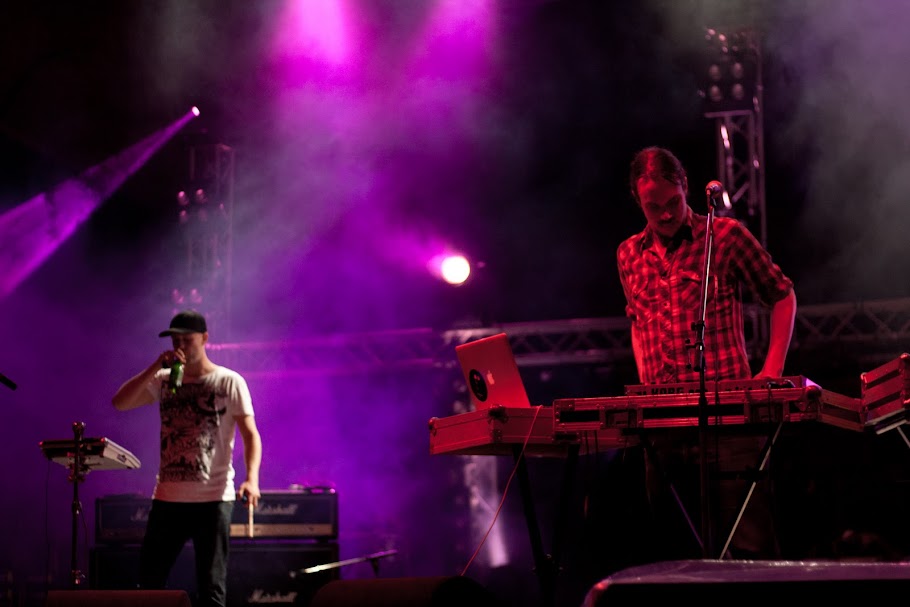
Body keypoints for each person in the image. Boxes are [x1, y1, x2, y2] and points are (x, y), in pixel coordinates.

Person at [617, 146, 797, 560]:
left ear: (685, 187)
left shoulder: (724, 236)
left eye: (673, 202)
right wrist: (646, 383)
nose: (665, 214)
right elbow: (637, 321)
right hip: (664, 425)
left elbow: (782, 295)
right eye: (653, 207)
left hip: (728, 422)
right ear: (638, 201)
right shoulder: (627, 254)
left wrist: (771, 370)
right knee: (674, 555)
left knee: (749, 549)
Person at [112, 310, 262, 607]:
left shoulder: (228, 381)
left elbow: (250, 434)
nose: (180, 346)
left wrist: (252, 479)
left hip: (214, 498)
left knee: (211, 587)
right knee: (150, 582)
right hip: (168, 497)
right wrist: (156, 365)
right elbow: (120, 403)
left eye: (187, 340)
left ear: (205, 339)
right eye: (175, 340)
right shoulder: (164, 380)